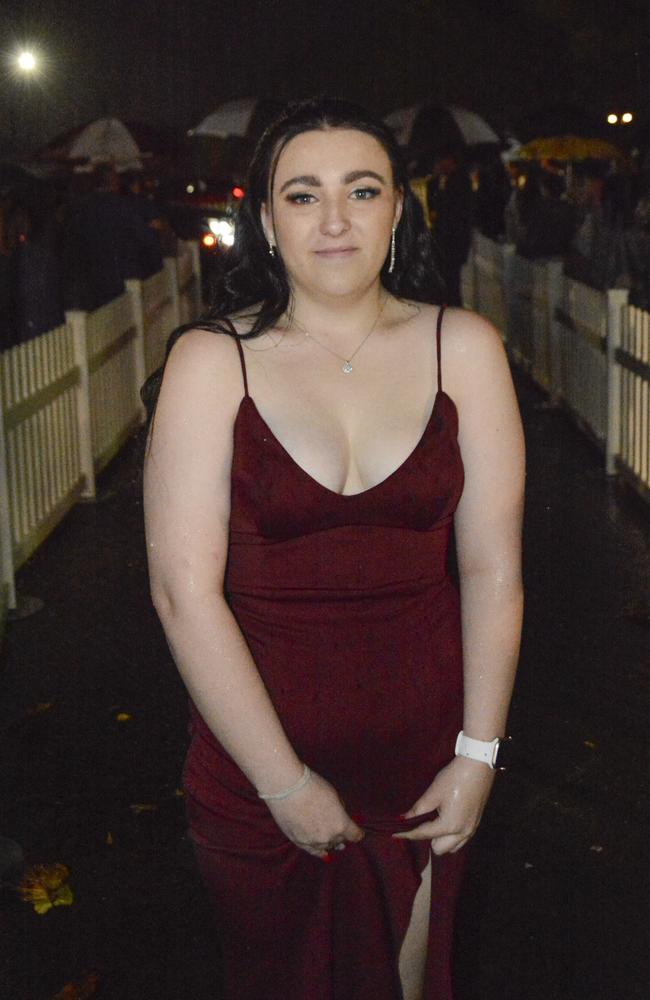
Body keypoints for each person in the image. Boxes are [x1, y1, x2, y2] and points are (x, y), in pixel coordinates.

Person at [141, 98, 525, 1000]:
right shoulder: (211, 361)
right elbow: (181, 594)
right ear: (267, 221)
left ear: (399, 208)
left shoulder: (463, 348)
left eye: (361, 189)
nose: (337, 219)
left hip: (427, 765)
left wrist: (479, 754)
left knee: (410, 981)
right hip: (255, 771)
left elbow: (493, 569)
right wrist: (283, 784)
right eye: (303, 196)